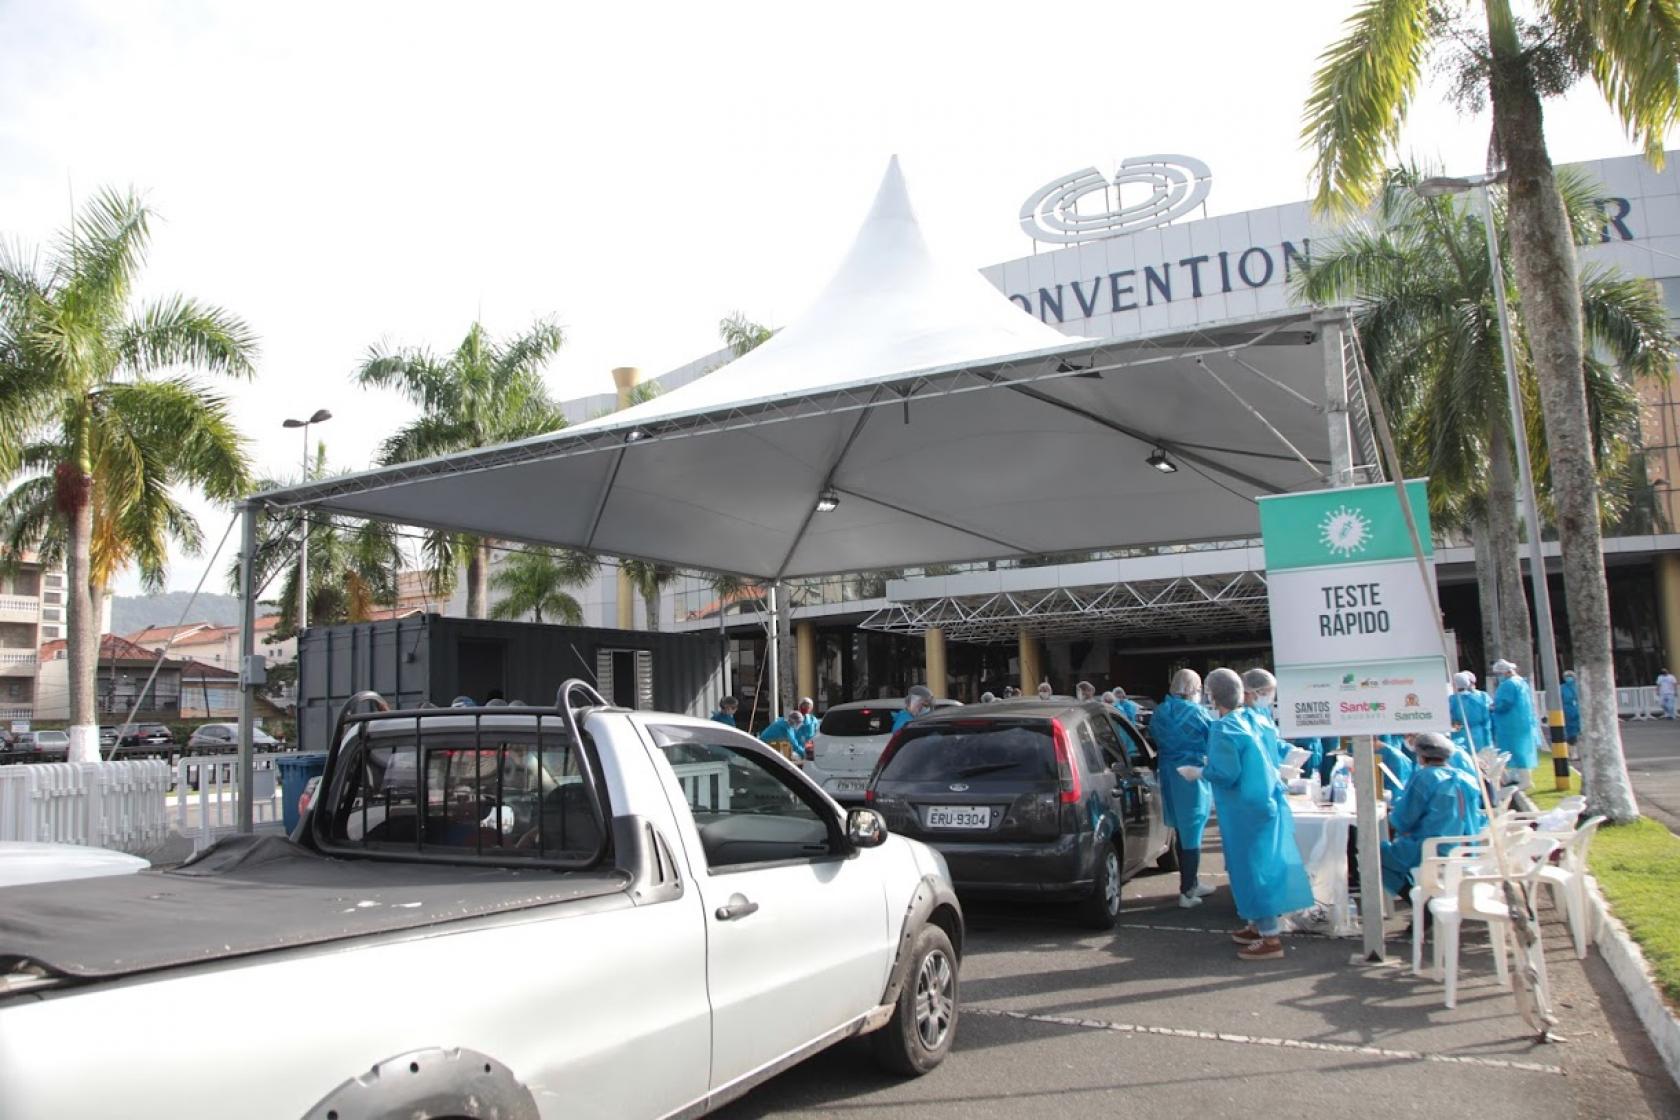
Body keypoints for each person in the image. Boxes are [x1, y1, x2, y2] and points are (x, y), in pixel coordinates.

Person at [1202, 667, 1315, 960]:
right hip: (1264, 803)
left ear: (1213, 697)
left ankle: (1270, 938)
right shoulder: (1253, 719)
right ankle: (1256, 923)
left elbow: (1226, 773)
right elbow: (1271, 752)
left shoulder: (1224, 727)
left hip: (1245, 810)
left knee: (1254, 870)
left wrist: (1201, 771)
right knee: (1260, 866)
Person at [1379, 733, 1488, 899]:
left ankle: (1419, 902)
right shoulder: (1466, 779)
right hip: (1466, 847)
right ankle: (1424, 898)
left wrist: (1393, 812)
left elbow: (1402, 820)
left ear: (1421, 756)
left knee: (1376, 856)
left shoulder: (1425, 777)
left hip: (1431, 848)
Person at [1150, 669, 1216, 909]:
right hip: (1191, 777)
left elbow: (1155, 737)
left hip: (1168, 775)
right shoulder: (1198, 713)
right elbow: (1214, 741)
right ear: (1193, 689)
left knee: (1181, 829)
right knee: (1193, 833)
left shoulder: (1160, 712)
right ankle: (1187, 891)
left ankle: (1192, 882)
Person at [1490, 659, 1541, 789]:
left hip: (1512, 723)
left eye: (1498, 674)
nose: (1498, 677)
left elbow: (1505, 703)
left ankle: (1525, 780)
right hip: (1521, 721)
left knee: (1517, 751)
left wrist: (1493, 707)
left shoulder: (1509, 684)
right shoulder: (1520, 682)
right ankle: (1517, 776)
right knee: (1520, 750)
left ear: (1505, 672)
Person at [1239, 668, 1285, 765]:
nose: (1269, 698)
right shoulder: (1240, 716)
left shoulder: (1263, 711)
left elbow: (1273, 739)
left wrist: (1288, 750)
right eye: (1264, 693)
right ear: (1249, 692)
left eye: (1271, 692)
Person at [1448, 671, 1493, 753]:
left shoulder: (1452, 700)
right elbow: (1488, 716)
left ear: (1454, 684)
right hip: (1479, 734)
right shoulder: (1481, 698)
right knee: (1480, 761)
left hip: (1460, 735)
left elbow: (1449, 719)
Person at [1560, 669, 1581, 744]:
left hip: (1577, 709)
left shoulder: (1578, 686)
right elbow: (1560, 699)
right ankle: (1570, 740)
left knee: (1578, 726)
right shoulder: (1562, 687)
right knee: (1568, 726)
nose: (1568, 678)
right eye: (1567, 676)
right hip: (1566, 709)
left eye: (1570, 676)